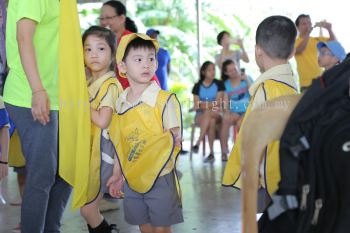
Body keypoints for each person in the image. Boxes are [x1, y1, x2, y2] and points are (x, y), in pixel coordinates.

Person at [3, 1, 72, 232]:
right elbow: (24, 38)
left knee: (66, 171)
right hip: (30, 94)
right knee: (42, 175)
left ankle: (51, 229)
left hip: (58, 95)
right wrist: (38, 90)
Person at [108, 33, 183, 233]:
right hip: (133, 177)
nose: (146, 65)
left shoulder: (164, 100)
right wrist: (118, 174)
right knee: (145, 227)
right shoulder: (120, 103)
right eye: (138, 59)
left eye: (151, 59)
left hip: (161, 176)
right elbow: (120, 143)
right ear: (122, 67)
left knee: (161, 229)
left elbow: (174, 140)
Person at [222, 15, 298, 212]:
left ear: (257, 51)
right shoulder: (292, 90)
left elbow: (253, 138)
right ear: (292, 52)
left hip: (266, 181)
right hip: (287, 177)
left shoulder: (265, 89)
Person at [80, 26, 123, 233]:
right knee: (88, 209)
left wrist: (80, 102)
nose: (94, 54)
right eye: (88, 49)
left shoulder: (111, 85)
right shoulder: (89, 83)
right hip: (91, 154)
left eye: (101, 49)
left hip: (105, 156)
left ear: (113, 55)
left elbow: (103, 120)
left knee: (88, 210)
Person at [99, 0, 159, 90]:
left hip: (143, 94)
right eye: (101, 18)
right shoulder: (106, 42)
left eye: (108, 18)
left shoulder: (132, 40)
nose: (104, 22)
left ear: (121, 19)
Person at [192, 61, 224, 162]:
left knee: (209, 113)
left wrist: (204, 105)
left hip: (217, 113)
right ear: (203, 72)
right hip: (201, 115)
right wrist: (209, 105)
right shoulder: (197, 86)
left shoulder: (219, 84)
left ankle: (198, 142)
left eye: (214, 69)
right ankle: (211, 154)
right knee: (211, 121)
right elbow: (197, 104)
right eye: (210, 70)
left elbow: (218, 103)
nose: (213, 72)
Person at [220, 59, 252, 161]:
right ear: (226, 73)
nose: (234, 71)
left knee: (240, 123)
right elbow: (225, 102)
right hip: (234, 111)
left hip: (247, 111)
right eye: (231, 70)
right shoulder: (225, 84)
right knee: (225, 121)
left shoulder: (246, 79)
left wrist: (247, 80)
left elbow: (254, 93)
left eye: (235, 68)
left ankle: (244, 152)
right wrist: (226, 113)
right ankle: (224, 152)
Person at [294, 14, 336, 90]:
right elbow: (300, 50)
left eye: (309, 23)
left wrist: (329, 29)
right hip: (306, 85)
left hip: (320, 81)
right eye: (304, 24)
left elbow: (334, 43)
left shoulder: (316, 40)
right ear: (297, 27)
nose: (307, 26)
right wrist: (307, 34)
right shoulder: (294, 42)